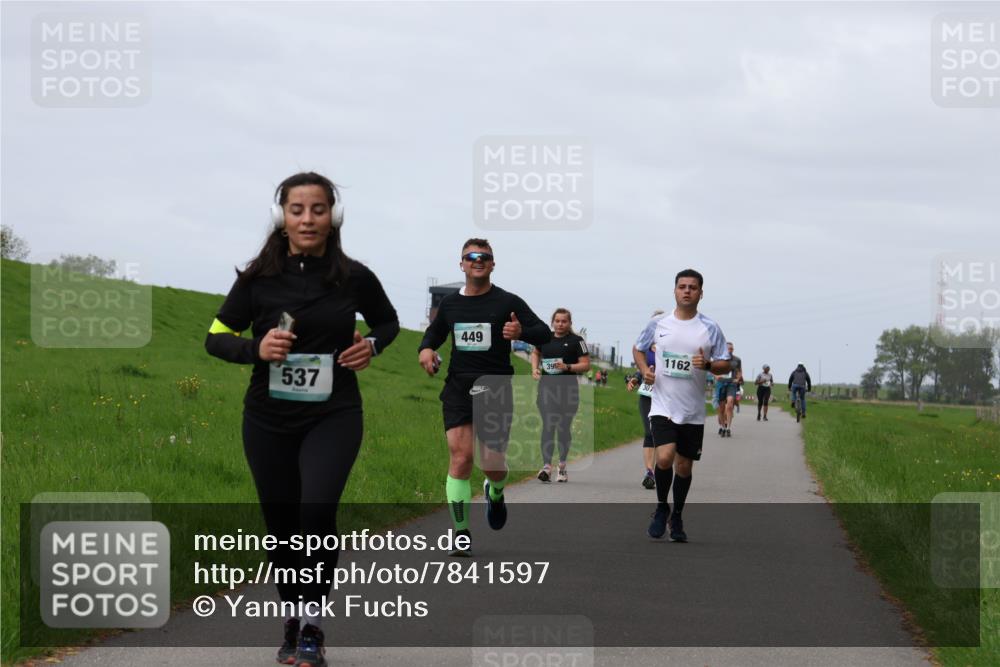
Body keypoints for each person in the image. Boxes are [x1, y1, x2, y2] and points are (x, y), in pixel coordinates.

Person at [205, 172, 400, 667]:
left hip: (333, 414)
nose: (307, 218)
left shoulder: (355, 276)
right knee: (281, 524)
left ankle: (313, 624)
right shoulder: (256, 280)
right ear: (282, 217)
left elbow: (388, 321)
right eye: (297, 209)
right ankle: (291, 618)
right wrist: (255, 347)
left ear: (333, 216)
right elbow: (215, 334)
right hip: (267, 419)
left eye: (317, 209)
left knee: (315, 511)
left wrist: (370, 345)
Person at [418, 239, 550, 556]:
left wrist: (521, 334)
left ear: (492, 264)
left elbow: (544, 333)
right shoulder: (450, 304)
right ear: (461, 264)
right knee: (461, 458)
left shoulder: (507, 302)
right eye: (471, 256)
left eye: (484, 257)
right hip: (458, 387)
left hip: (495, 387)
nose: (477, 260)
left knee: (491, 463)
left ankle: (496, 490)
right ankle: (461, 533)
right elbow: (435, 333)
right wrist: (425, 349)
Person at [633, 269, 730, 542]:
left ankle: (677, 516)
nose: (687, 291)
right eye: (682, 286)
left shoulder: (710, 327)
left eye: (693, 287)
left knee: (684, 467)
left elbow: (726, 361)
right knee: (664, 457)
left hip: (692, 411)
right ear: (674, 291)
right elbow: (638, 348)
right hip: (662, 405)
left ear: (700, 293)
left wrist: (709, 365)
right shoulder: (658, 323)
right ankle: (662, 508)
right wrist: (645, 370)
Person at [531, 308, 590, 483]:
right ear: (552, 322)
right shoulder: (544, 338)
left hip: (568, 392)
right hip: (546, 390)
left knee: (563, 429)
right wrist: (534, 368)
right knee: (548, 425)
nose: (560, 324)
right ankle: (546, 467)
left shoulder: (577, 341)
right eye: (557, 321)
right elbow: (536, 352)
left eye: (564, 321)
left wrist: (567, 367)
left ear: (570, 323)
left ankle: (562, 465)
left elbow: (586, 365)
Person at [716, 342, 742, 437]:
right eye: (728, 349)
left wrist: (738, 379)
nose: (730, 350)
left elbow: (739, 372)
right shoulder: (719, 358)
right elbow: (712, 369)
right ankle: (722, 427)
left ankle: (728, 428)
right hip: (721, 383)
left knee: (730, 403)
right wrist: (716, 376)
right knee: (721, 408)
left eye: (732, 349)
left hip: (732, 384)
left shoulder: (737, 360)